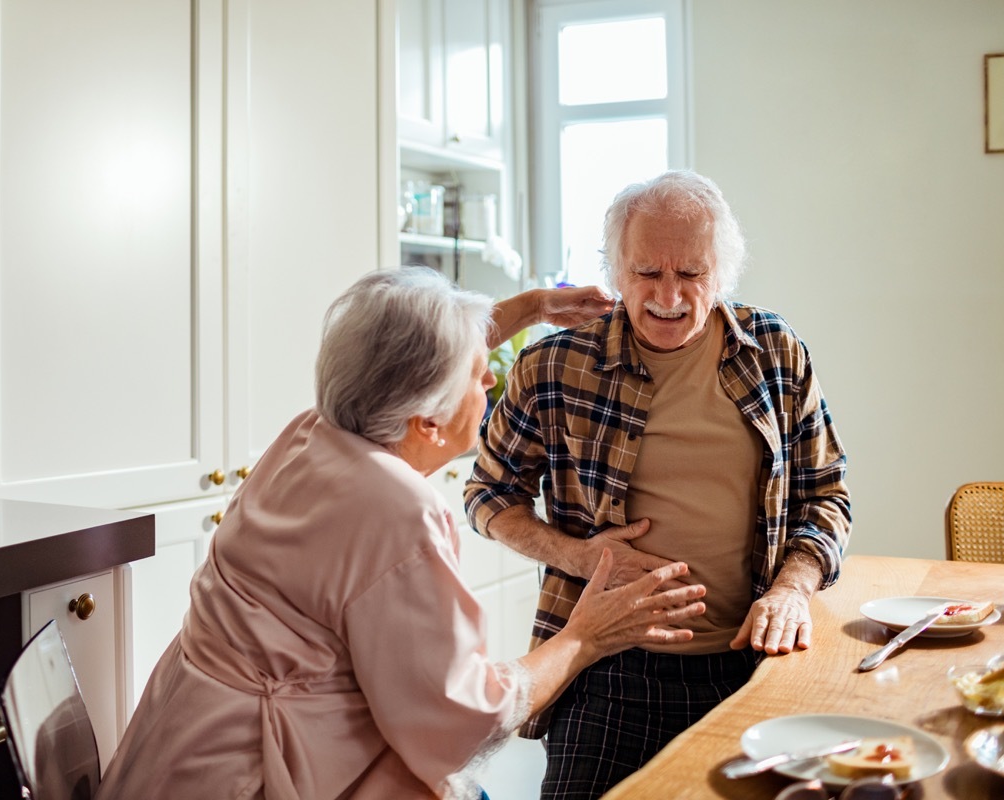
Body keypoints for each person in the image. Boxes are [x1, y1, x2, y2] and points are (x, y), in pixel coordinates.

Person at [95, 267, 708, 800]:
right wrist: (585, 637)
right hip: (248, 776)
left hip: (173, 745)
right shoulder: (398, 512)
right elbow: (463, 716)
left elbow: (400, 355)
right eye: (476, 375)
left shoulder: (312, 433)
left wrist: (532, 307)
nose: (490, 382)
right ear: (428, 420)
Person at [464, 170, 852, 798]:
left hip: (752, 663)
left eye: (692, 275)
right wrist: (577, 555)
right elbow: (487, 495)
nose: (668, 295)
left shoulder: (775, 353)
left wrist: (791, 591)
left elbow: (826, 493)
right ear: (615, 272)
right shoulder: (556, 366)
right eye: (647, 272)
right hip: (607, 665)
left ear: (721, 274)